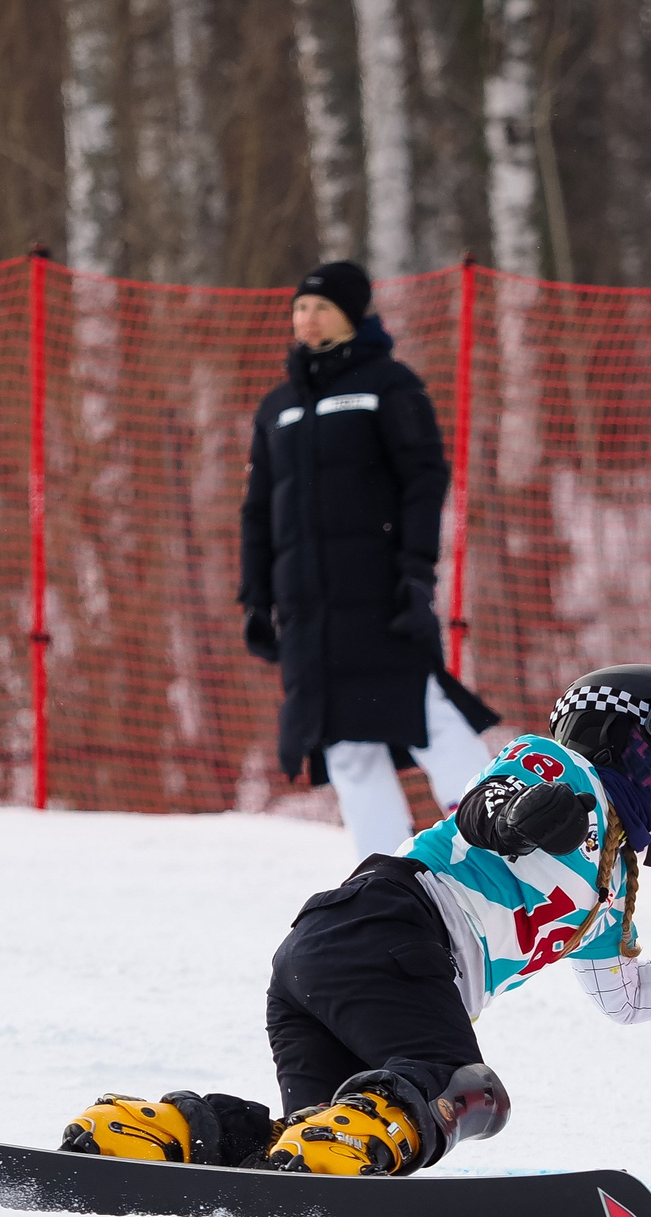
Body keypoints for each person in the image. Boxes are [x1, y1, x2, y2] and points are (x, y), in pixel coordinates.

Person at [62, 664, 651, 1175]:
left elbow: (630, 998)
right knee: (469, 1090)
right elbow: (488, 801)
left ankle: (154, 1132)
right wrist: (517, 813)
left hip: (335, 952)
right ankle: (315, 1132)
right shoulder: (564, 769)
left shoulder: (612, 886)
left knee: (314, 1144)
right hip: (394, 928)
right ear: (615, 726)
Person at [239, 260, 500, 860]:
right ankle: (386, 877)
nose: (307, 318)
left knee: (425, 710)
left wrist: (414, 571)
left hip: (379, 591)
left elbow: (422, 480)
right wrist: (256, 597)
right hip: (307, 610)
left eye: (321, 307)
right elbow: (257, 509)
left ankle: (511, 841)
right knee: (346, 745)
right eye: (300, 307)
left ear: (352, 315)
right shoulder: (277, 406)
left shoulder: (390, 385)